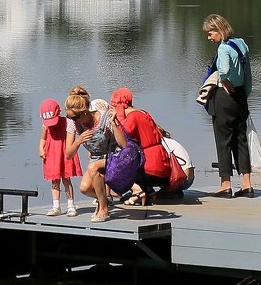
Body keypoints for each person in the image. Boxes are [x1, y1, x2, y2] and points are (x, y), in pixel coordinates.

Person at [202, 13, 254, 197]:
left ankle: (225, 184)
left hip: (224, 98)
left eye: (211, 33)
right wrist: (244, 94)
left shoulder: (223, 48)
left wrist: (224, 80)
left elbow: (223, 70)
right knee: (241, 140)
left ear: (220, 29)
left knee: (223, 140)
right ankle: (247, 184)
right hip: (240, 97)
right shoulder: (241, 44)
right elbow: (247, 74)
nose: (209, 38)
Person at [64, 86, 127, 223]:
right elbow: (68, 154)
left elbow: (124, 145)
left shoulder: (103, 116)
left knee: (93, 168)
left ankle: (103, 209)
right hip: (97, 158)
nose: (72, 120)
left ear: (84, 112)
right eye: (69, 117)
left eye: (74, 117)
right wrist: (79, 141)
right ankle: (104, 200)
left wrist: (114, 123)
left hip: (115, 156)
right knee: (84, 188)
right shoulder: (72, 123)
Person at [108, 87, 169, 205]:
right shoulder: (143, 112)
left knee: (115, 168)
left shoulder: (133, 117)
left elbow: (122, 140)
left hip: (151, 167)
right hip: (162, 161)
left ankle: (140, 192)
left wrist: (114, 122)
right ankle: (148, 192)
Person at [39, 98, 81, 216]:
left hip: (64, 154)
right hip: (52, 155)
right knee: (55, 181)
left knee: (66, 179)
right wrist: (41, 149)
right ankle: (56, 206)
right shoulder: (45, 126)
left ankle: (71, 205)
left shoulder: (67, 122)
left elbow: (74, 133)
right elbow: (43, 139)